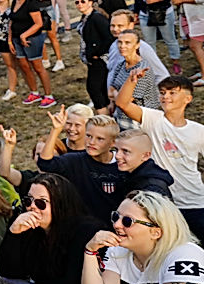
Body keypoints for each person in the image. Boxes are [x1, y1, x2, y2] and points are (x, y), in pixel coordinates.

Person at [78, 191, 204, 284]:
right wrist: (90, 252)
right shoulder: (119, 251)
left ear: (156, 232)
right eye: (116, 217)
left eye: (127, 221)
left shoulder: (185, 255)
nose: (117, 225)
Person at [115, 73, 204, 240]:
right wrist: (131, 81)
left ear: (188, 98)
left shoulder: (199, 131)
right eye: (162, 92)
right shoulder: (153, 118)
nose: (165, 97)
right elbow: (122, 103)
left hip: (195, 200)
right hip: (163, 202)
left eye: (172, 92)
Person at [0, 173, 101, 284]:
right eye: (28, 200)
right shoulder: (28, 227)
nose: (32, 207)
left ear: (60, 203)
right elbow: (7, 270)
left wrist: (36, 283)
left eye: (41, 202)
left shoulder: (84, 232)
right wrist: (14, 233)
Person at [38, 111, 124, 214]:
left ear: (113, 142)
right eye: (88, 136)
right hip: (83, 225)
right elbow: (45, 163)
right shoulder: (75, 160)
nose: (91, 142)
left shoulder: (123, 165)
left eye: (100, 139)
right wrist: (55, 130)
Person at [6, 0, 56, 108]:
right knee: (24, 66)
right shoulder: (15, 2)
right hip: (17, 38)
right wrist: (10, 39)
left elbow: (38, 23)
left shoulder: (31, 3)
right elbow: (11, 22)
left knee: (38, 66)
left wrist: (25, 35)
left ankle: (48, 95)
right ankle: (34, 92)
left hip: (32, 39)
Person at [73, 0, 116, 114]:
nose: (79, 4)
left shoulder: (96, 18)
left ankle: (104, 117)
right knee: (99, 89)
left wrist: (96, 53)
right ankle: (107, 114)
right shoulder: (86, 18)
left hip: (100, 60)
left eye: (83, 2)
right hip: (92, 59)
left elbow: (109, 38)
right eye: (77, 2)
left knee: (94, 89)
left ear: (90, 3)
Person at [107, 30, 160, 130]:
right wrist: (116, 97)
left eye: (127, 43)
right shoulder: (121, 64)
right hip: (120, 117)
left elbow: (126, 101)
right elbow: (111, 90)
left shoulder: (143, 69)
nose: (122, 46)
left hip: (137, 122)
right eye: (120, 42)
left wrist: (116, 95)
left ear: (137, 45)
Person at [114, 129, 174, 197]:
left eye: (126, 151)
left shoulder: (152, 189)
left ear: (145, 156)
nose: (117, 156)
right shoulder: (126, 174)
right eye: (116, 150)